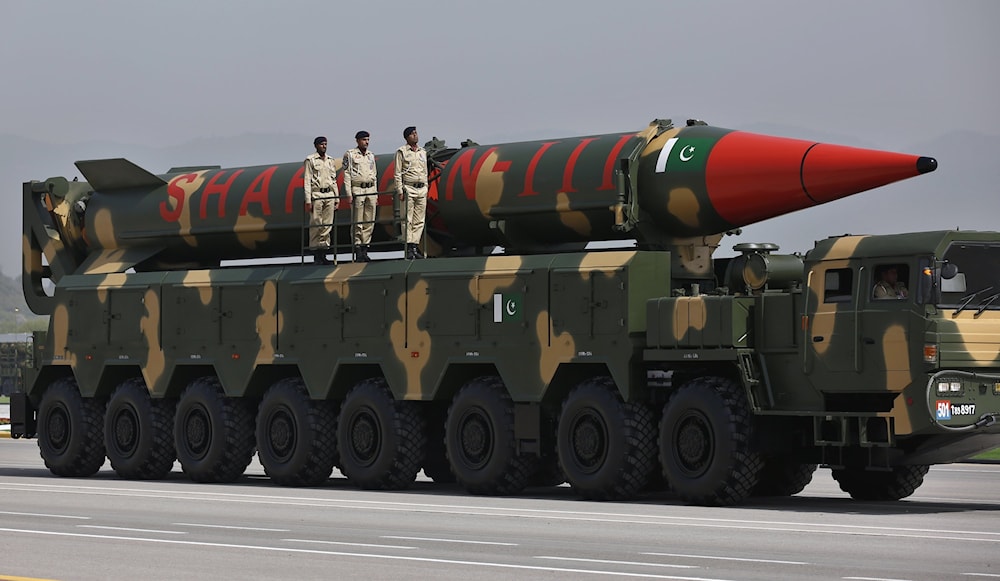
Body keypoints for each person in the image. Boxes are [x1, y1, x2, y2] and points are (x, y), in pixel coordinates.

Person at [343, 131, 378, 262]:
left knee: (369, 221)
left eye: (368, 139)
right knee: (358, 221)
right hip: (358, 189)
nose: (366, 142)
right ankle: (358, 249)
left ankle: (365, 248)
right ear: (357, 141)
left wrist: (376, 193)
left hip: (370, 189)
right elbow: (346, 175)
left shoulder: (370, 156)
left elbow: (374, 174)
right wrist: (349, 193)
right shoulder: (350, 155)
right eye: (364, 139)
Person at [394, 126, 428, 259]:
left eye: (416, 133)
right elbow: (397, 173)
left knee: (419, 220)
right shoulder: (401, 152)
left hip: (421, 189)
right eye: (412, 134)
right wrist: (399, 190)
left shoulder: (422, 152)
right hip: (409, 188)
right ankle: (408, 246)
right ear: (407, 137)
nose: (415, 135)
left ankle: (415, 245)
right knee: (407, 219)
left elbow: (424, 170)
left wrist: (426, 186)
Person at [304, 136, 338, 265]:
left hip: (329, 194)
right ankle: (316, 254)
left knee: (327, 226)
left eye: (325, 144)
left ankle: (324, 252)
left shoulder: (330, 160)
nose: (324, 146)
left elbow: (333, 179)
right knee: (316, 225)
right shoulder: (310, 160)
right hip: (317, 194)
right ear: (316, 146)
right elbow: (307, 181)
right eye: (322, 144)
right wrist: (308, 200)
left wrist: (336, 197)